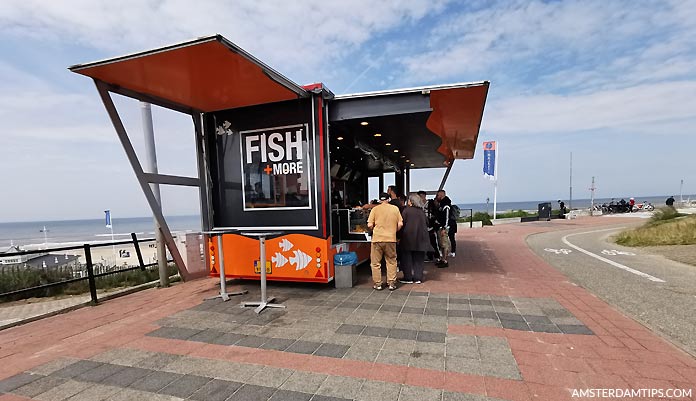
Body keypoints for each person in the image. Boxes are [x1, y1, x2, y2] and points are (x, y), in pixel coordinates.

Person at [367, 193, 403, 290]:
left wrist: (374, 228)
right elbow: (400, 223)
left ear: (380, 200)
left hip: (377, 239)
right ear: (389, 199)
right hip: (391, 239)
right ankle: (391, 283)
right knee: (391, 261)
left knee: (375, 263)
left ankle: (378, 284)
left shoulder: (375, 209)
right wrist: (394, 230)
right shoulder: (395, 209)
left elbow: (370, 225)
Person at [399, 194, 429, 284]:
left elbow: (402, 223)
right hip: (421, 239)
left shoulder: (406, 211)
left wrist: (399, 236)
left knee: (406, 258)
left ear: (411, 202)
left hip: (408, 238)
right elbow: (427, 223)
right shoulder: (421, 212)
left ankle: (408, 277)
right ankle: (418, 277)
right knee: (419, 259)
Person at [435, 190, 457, 265]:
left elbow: (447, 217)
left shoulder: (446, 205)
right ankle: (443, 259)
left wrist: (444, 228)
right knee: (442, 243)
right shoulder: (442, 204)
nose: (436, 197)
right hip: (442, 226)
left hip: (445, 227)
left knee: (445, 244)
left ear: (441, 195)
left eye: (438, 195)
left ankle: (445, 260)